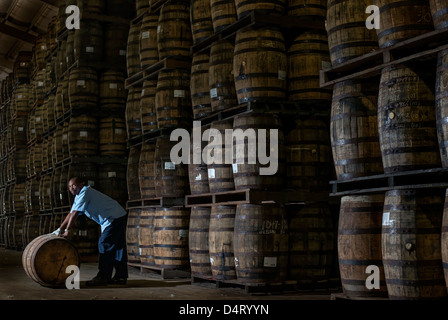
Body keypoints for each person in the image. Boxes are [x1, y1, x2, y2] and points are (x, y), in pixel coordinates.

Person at [53, 177, 128, 286]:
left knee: (104, 243)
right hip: (116, 216)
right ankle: (121, 277)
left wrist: (67, 231)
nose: (71, 188)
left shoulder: (85, 192)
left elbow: (74, 214)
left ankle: (103, 277)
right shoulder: (79, 196)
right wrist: (60, 229)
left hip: (113, 217)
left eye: (74, 185)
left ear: (81, 184)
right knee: (117, 247)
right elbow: (70, 214)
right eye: (69, 186)